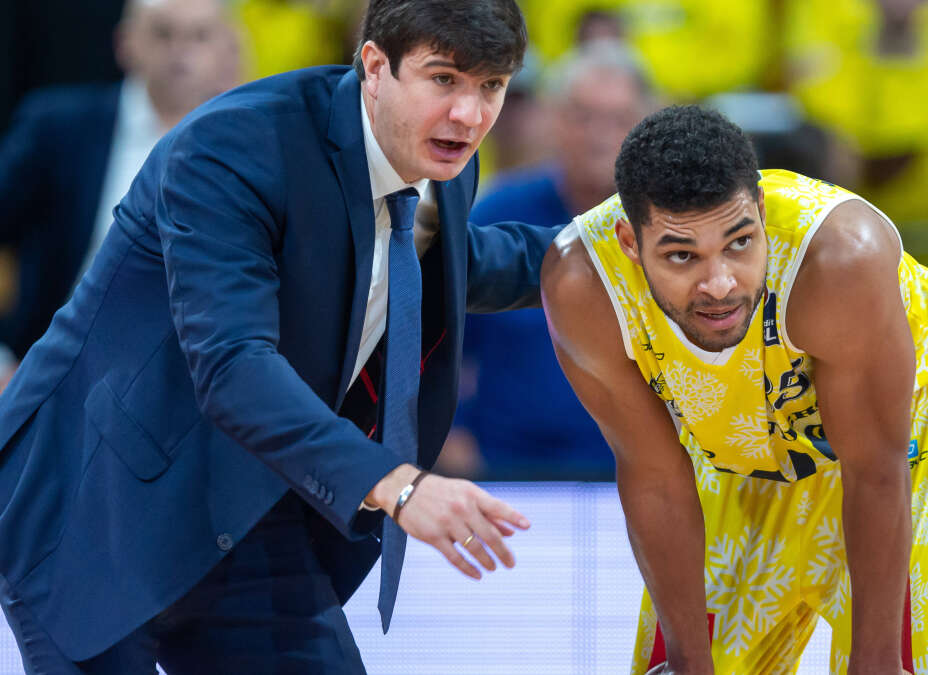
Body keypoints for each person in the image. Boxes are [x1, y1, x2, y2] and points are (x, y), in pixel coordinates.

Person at [0, 0, 555, 672]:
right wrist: (396, 483)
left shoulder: (439, 159)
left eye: (490, 85)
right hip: (96, 499)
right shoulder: (235, 145)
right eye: (444, 79)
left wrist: (616, 256)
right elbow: (233, 366)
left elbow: (448, 258)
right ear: (376, 66)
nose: (469, 115)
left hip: (249, 503)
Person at [542, 106, 928, 674]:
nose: (720, 283)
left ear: (758, 211)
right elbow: (654, 478)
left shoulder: (839, 260)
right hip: (739, 437)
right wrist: (687, 663)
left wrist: (876, 662)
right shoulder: (584, 283)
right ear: (630, 242)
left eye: (739, 242)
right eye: (683, 255)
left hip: (904, 434)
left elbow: (875, 468)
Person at [0, 0, 241, 384]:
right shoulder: (58, 129)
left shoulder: (245, 150)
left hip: (184, 391)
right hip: (49, 373)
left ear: (228, 51)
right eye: (163, 33)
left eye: (200, 36)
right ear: (126, 42)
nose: (181, 52)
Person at [444, 40, 653, 480]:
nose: (599, 134)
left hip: (642, 476)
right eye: (583, 116)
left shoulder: (675, 229)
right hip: (507, 474)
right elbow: (440, 346)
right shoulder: (496, 214)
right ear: (553, 121)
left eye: (618, 119)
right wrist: (452, 438)